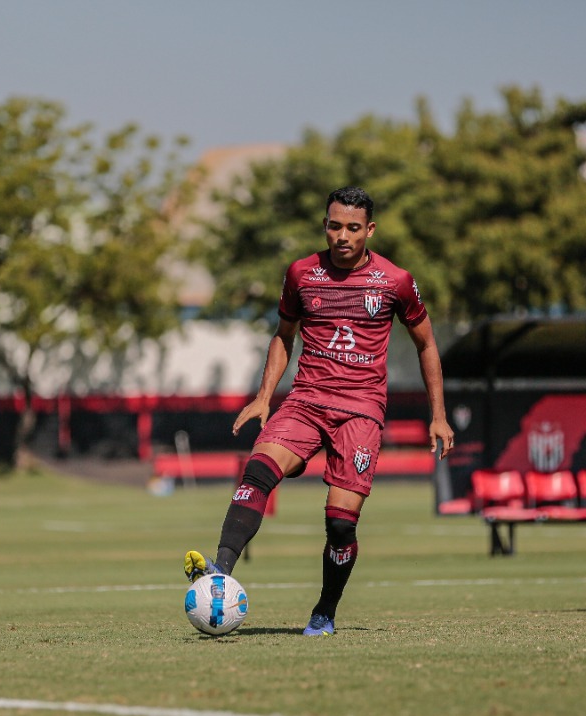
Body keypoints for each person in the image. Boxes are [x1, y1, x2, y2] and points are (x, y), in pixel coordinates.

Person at [184, 186, 454, 635]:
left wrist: (438, 414)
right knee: (258, 471)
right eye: (334, 226)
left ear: (369, 229)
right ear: (324, 225)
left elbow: (426, 344)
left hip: (361, 412)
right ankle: (220, 572)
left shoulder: (395, 282)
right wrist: (265, 395)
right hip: (306, 400)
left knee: (340, 523)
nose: (342, 236)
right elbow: (283, 336)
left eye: (352, 227)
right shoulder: (301, 274)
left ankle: (325, 611)